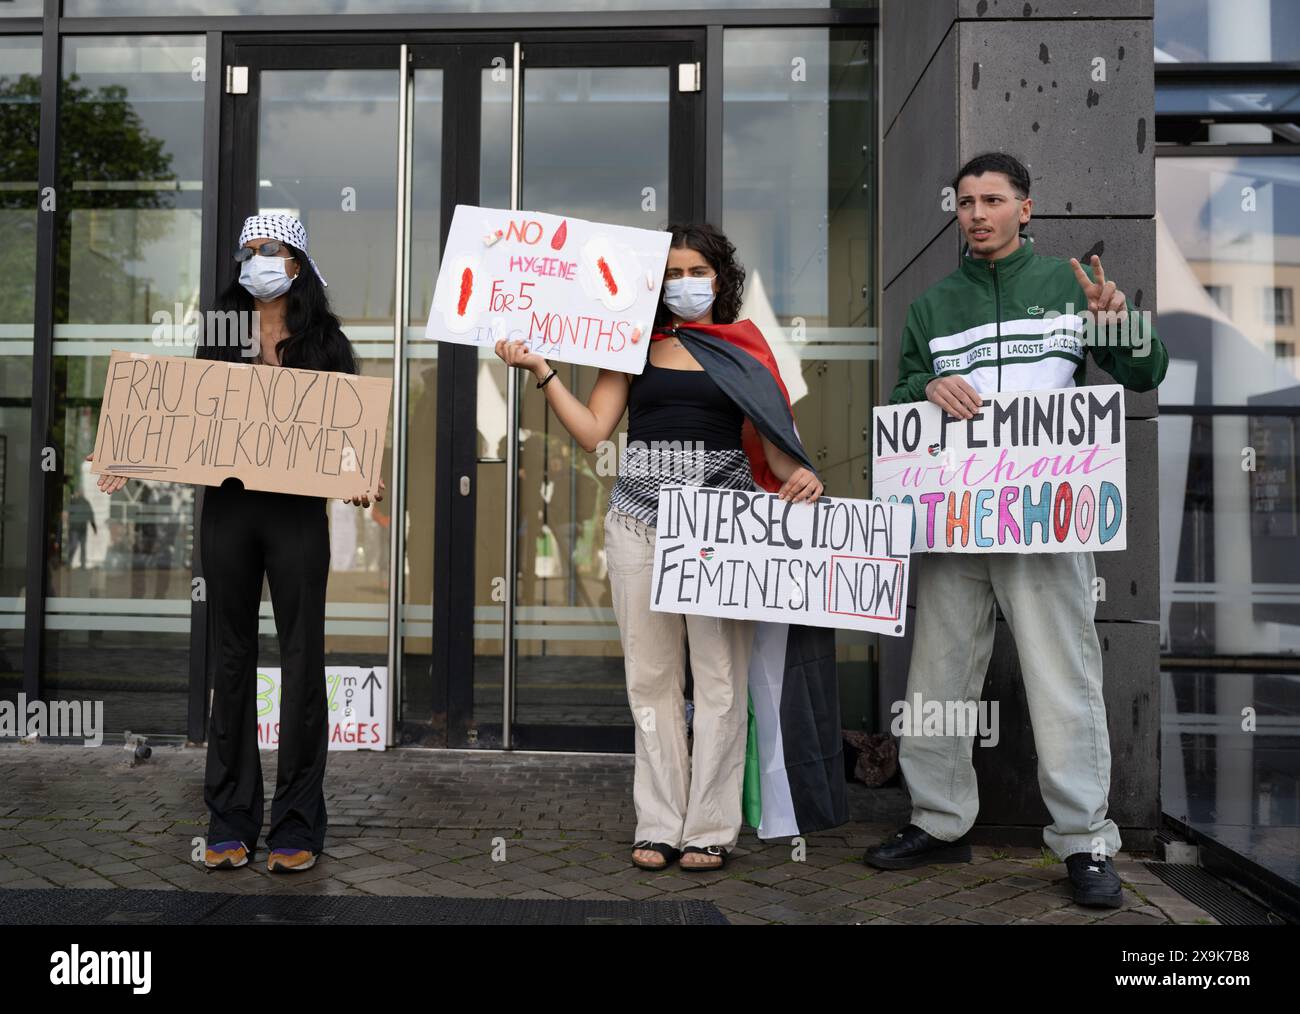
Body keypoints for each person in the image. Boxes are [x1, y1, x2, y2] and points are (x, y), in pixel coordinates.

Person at [863, 153, 1168, 909]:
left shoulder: (1073, 287)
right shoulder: (933, 305)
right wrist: (924, 386)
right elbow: (902, 395)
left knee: (1064, 679)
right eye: (965, 201)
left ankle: (1086, 840)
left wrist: (1118, 324)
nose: (976, 213)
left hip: (1047, 521)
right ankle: (937, 821)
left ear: (1025, 210)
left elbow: (1147, 369)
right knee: (937, 677)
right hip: (955, 521)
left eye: (992, 200)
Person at [496, 223, 824, 871]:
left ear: (720, 279)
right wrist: (542, 372)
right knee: (650, 682)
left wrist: (799, 474)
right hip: (638, 523)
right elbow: (594, 432)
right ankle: (658, 822)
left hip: (721, 529)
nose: (684, 284)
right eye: (671, 274)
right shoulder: (631, 347)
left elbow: (775, 441)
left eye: (696, 271)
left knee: (720, 682)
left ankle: (710, 826)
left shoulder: (744, 346)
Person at [90, 213, 382, 874]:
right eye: (248, 252)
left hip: (297, 519)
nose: (257, 261)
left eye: (269, 250)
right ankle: (230, 816)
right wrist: (129, 455)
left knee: (304, 661)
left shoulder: (327, 344)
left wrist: (363, 478)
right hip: (228, 512)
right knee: (230, 659)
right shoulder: (219, 338)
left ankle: (298, 821)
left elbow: (347, 442)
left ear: (297, 263)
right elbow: (183, 421)